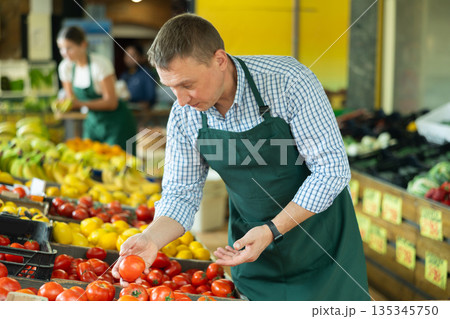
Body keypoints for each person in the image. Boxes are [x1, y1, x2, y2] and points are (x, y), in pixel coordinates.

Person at [112, 13, 370, 301]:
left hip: (322, 245)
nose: (181, 100)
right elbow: (179, 195)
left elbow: (331, 171)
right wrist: (150, 239)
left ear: (219, 60)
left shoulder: (288, 82)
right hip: (251, 251)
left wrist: (273, 230)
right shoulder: (185, 116)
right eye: (171, 88)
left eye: (187, 84)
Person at [56, 26, 137, 151]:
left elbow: (111, 102)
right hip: (92, 123)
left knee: (119, 164)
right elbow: (71, 99)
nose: (64, 53)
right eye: (61, 48)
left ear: (83, 45)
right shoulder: (65, 68)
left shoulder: (99, 65)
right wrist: (63, 105)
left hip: (116, 124)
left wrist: (79, 104)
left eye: (69, 48)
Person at [120, 43, 157, 110]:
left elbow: (151, 98)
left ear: (140, 57)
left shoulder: (146, 74)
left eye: (133, 56)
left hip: (142, 113)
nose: (129, 59)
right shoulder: (124, 75)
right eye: (127, 55)